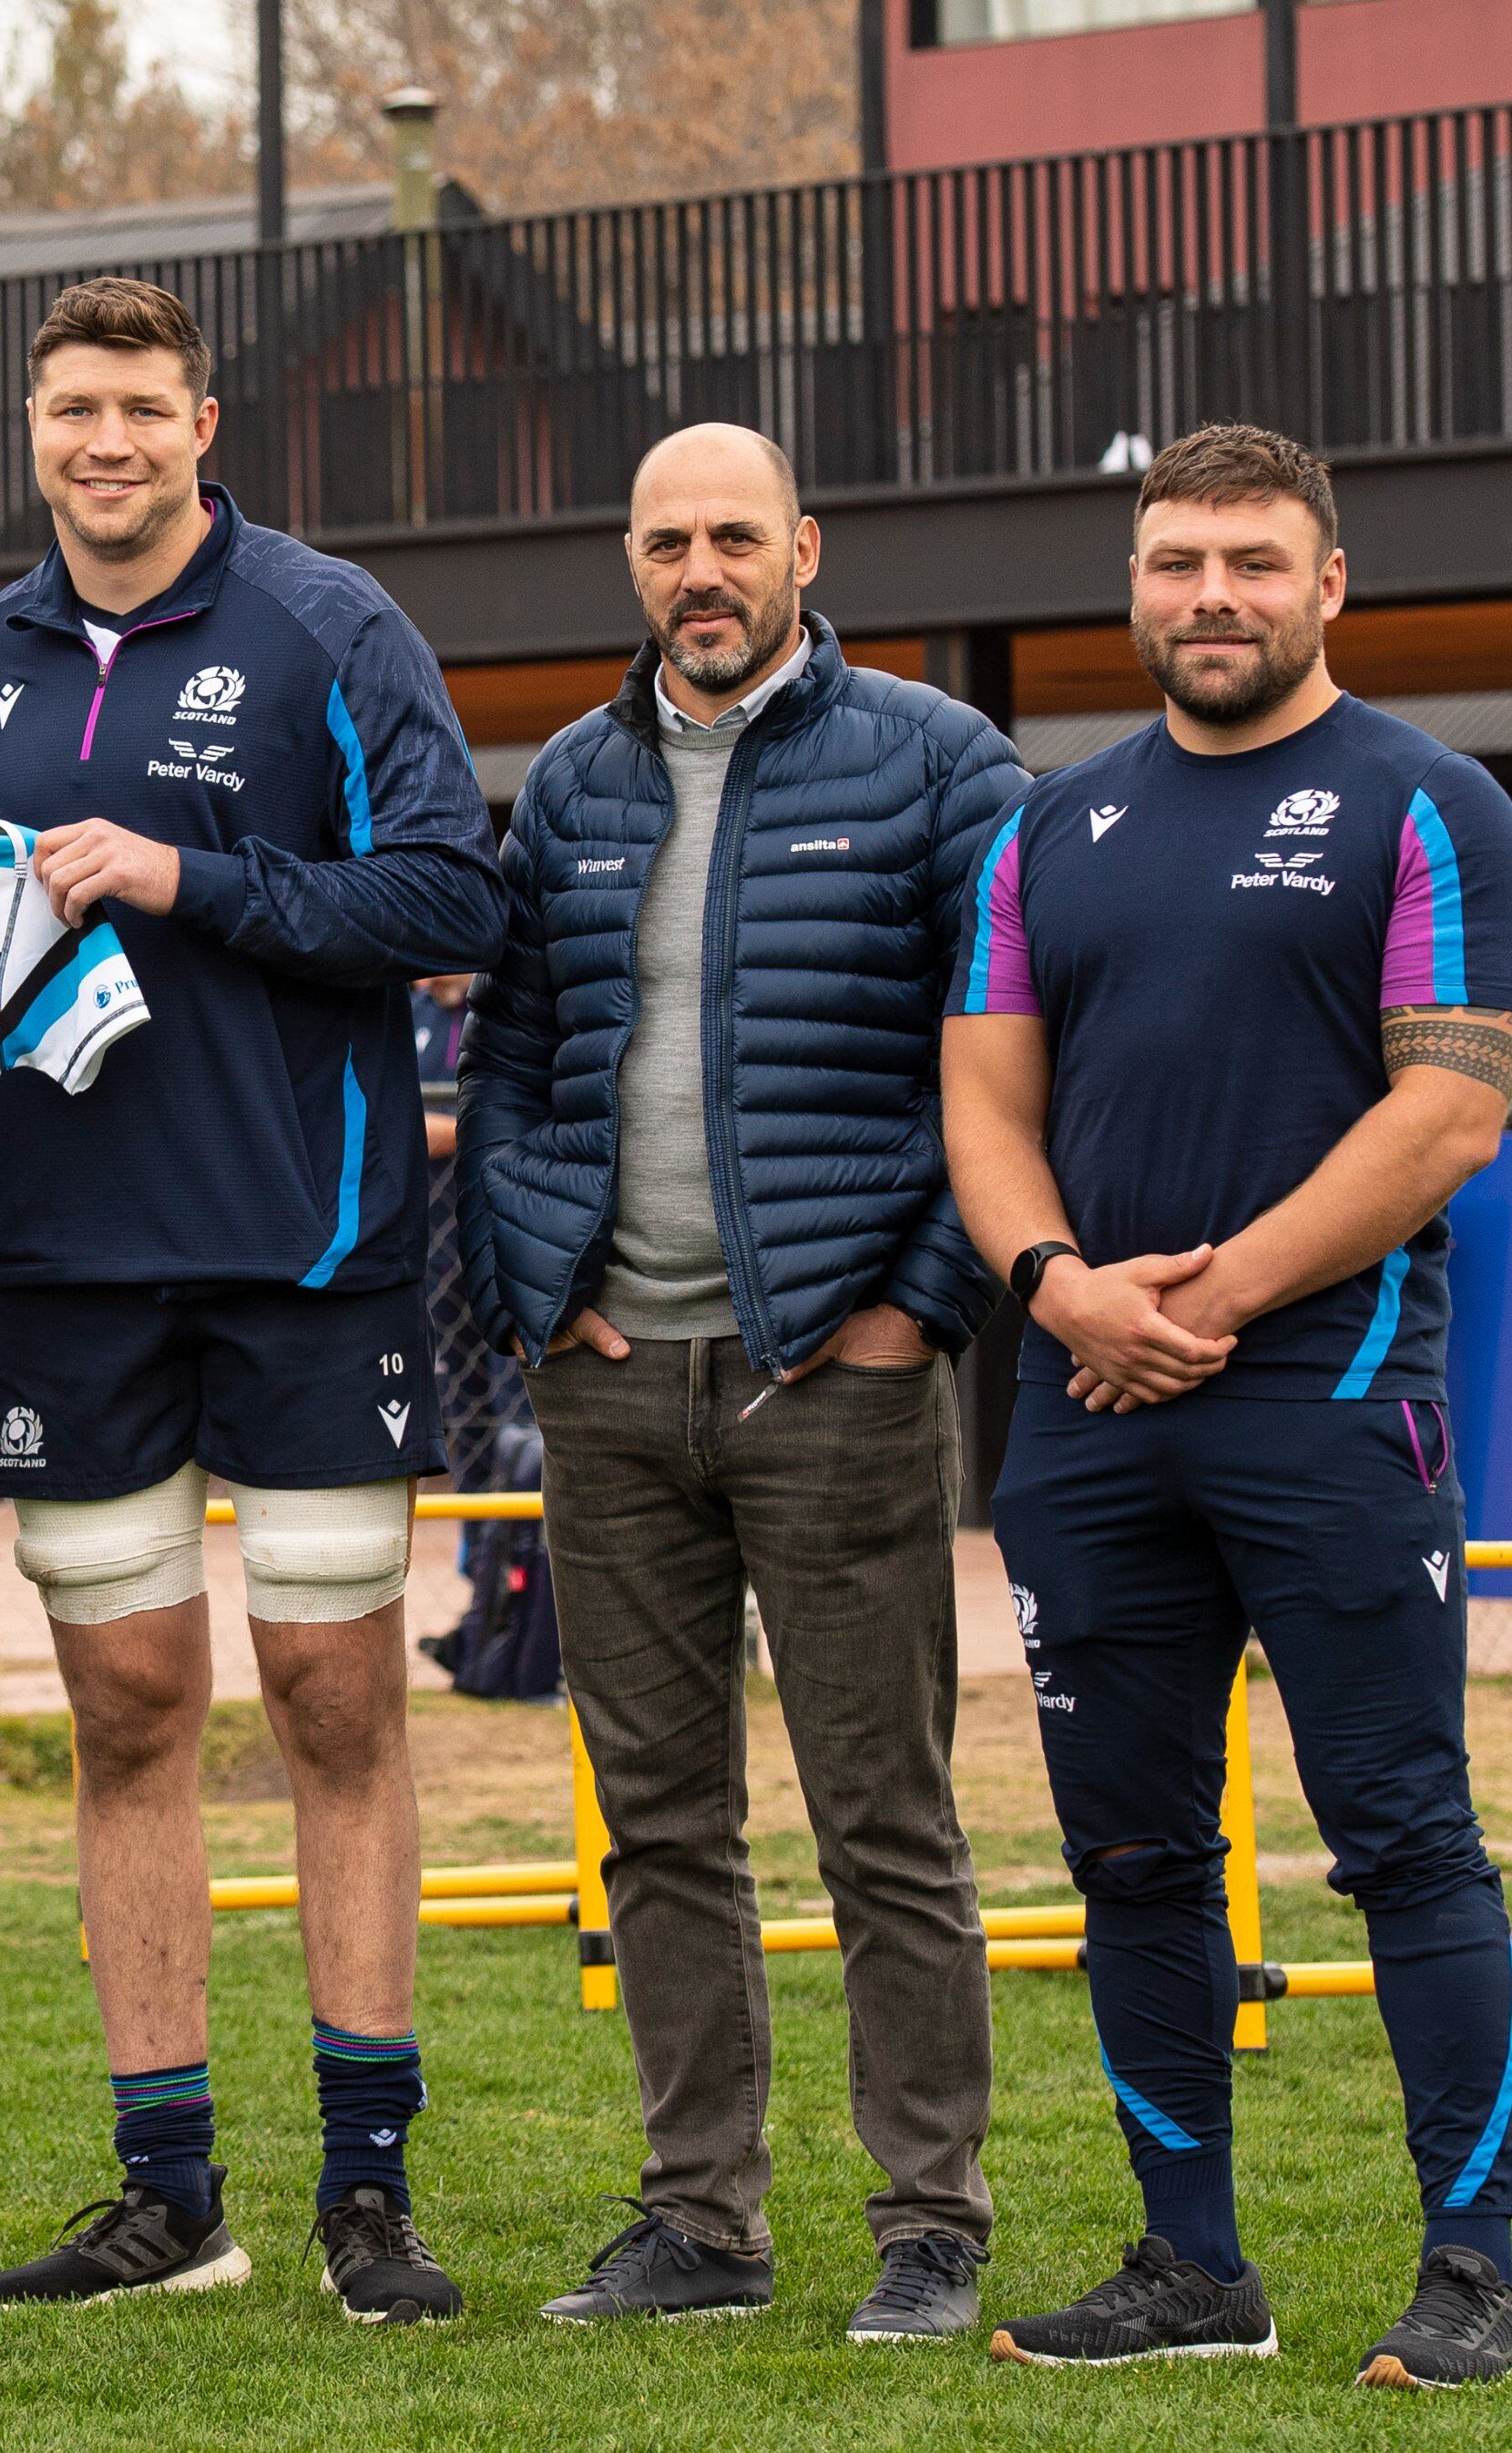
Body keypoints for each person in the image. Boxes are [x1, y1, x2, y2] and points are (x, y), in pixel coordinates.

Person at [0, 277, 504, 2324]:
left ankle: (367, 2191)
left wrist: (185, 877)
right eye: (73, 409)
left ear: (201, 421)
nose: (106, 444)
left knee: (336, 1709)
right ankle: (168, 2193)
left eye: (141, 409)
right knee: (126, 1717)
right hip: (69, 1269)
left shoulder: (329, 627)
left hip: (307, 1264)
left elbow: (448, 894)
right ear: (35, 425)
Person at [941, 424, 1512, 2387]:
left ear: (1325, 587)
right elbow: (982, 1098)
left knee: (1398, 1836)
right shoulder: (1049, 827)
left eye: (1251, 564)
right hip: (1086, 1399)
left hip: (1324, 1392)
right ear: (1132, 583)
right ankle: (1185, 2269)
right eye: (1177, 561)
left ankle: (1468, 2274)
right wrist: (1056, 1286)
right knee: (1128, 1855)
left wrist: (1213, 1294)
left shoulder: (1425, 804)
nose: (1210, 595)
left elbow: (1446, 1105)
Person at [455, 424, 1018, 2342]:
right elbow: (516, 1065)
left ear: (801, 544)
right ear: (630, 560)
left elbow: (1019, 1059)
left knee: (885, 1822)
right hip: (616, 1391)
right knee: (660, 1828)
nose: (698, 570)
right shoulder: (576, 783)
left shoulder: (939, 765)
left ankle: (926, 2224)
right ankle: (698, 2221)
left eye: (730, 537)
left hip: (837, 1390)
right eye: (662, 540)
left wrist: (912, 1313)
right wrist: (539, 1297)